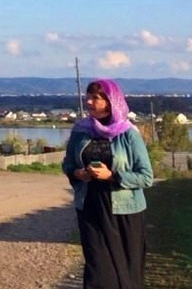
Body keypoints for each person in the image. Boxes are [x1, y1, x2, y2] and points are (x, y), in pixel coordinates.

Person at [62, 78, 153, 289]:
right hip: (90, 206)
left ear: (110, 101)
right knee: (97, 270)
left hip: (125, 211)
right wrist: (77, 173)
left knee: (127, 270)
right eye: (88, 97)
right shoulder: (80, 131)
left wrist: (112, 176)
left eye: (96, 98)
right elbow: (67, 164)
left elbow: (146, 176)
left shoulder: (128, 133)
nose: (90, 102)